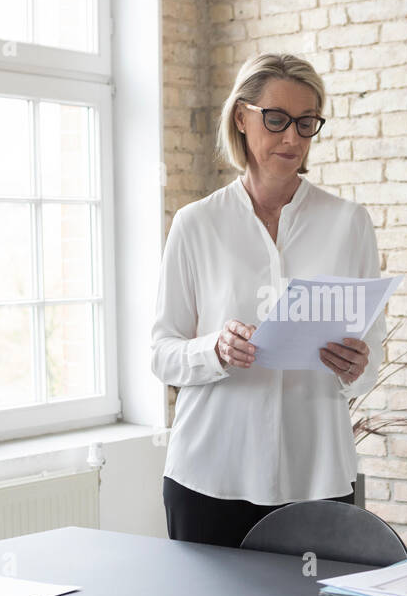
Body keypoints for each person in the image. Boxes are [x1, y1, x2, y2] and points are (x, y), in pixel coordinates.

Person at [150, 53, 385, 547]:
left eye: (306, 123)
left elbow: (369, 364)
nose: (292, 139)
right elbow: (162, 352)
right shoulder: (197, 224)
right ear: (241, 116)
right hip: (210, 475)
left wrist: (355, 364)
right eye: (276, 120)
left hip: (316, 475)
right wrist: (214, 350)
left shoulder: (348, 223)